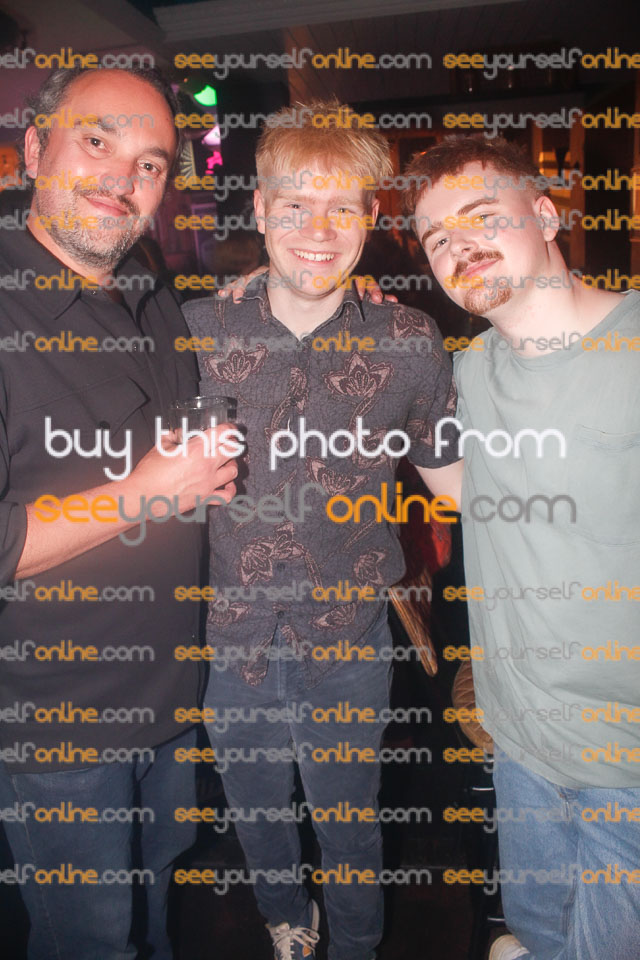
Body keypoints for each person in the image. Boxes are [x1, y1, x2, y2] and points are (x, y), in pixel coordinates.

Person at [183, 100, 462, 960]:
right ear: (259, 210)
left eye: (342, 207)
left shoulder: (410, 338)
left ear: (370, 217)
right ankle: (283, 918)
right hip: (229, 637)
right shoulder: (195, 330)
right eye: (295, 205)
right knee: (257, 812)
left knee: (351, 823)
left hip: (349, 640)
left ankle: (357, 945)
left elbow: (456, 479)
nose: (318, 229)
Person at [0, 65, 238, 959]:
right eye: (96, 142)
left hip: (171, 697)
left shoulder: (148, 286)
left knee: (155, 907)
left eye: (149, 164)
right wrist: (146, 496)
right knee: (93, 939)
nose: (121, 178)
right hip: (59, 727)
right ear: (35, 150)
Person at [401, 135, 640, 960]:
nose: (459, 245)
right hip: (519, 744)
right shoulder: (466, 373)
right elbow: (460, 491)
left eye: (481, 216)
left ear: (545, 214)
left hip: (627, 766)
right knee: (535, 933)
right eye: (437, 236)